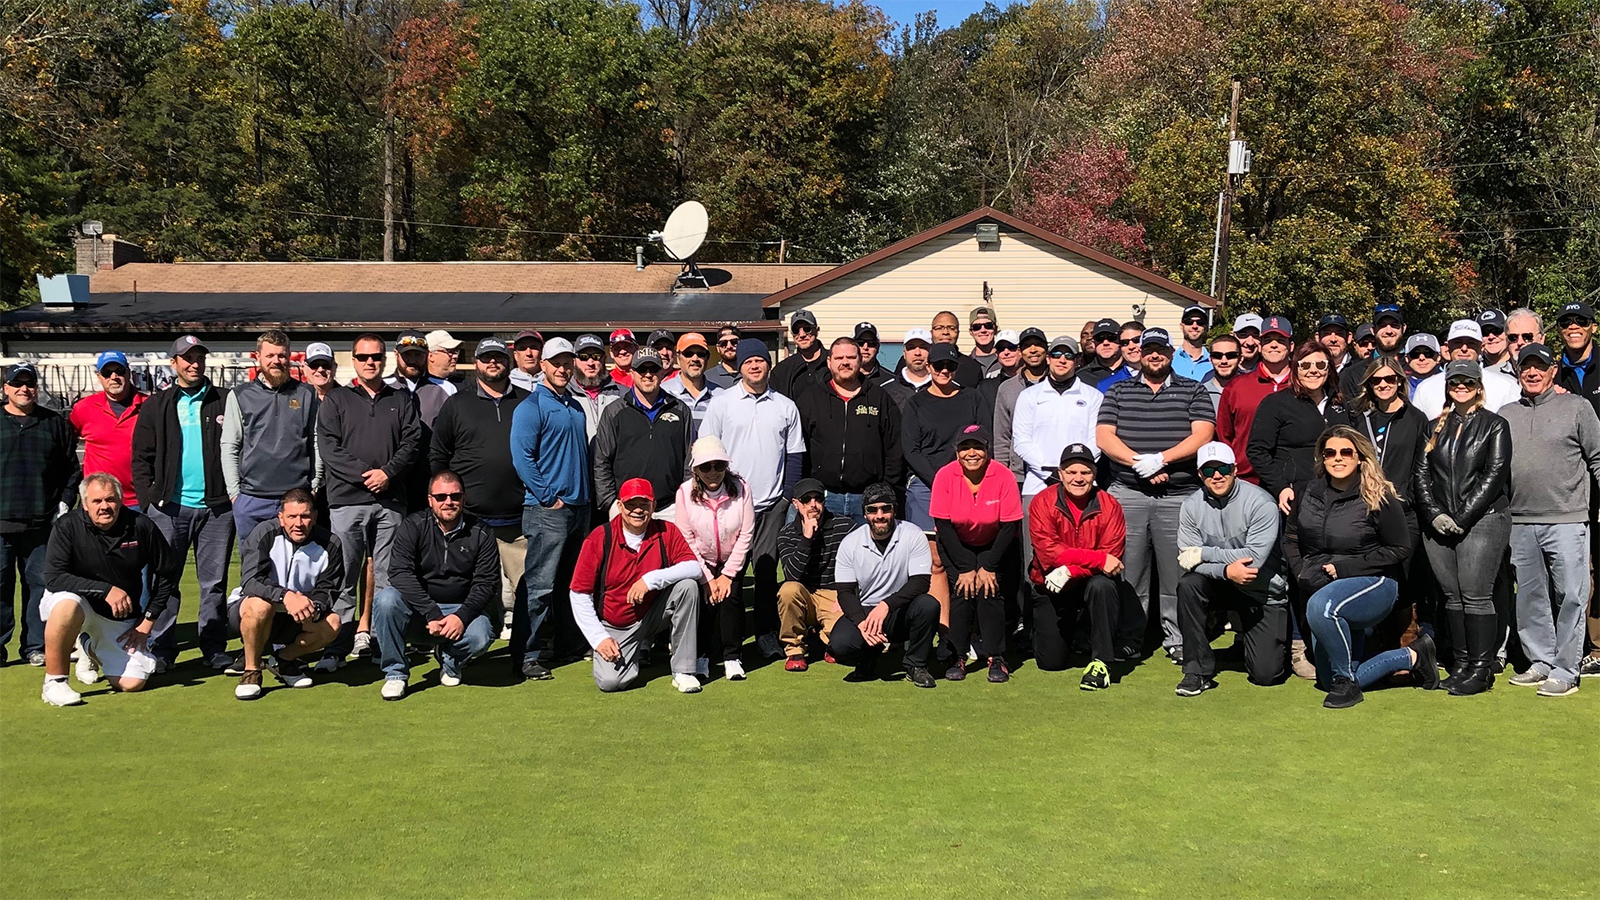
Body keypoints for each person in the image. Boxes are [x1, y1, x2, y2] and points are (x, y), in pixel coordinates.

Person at [1095, 327, 1216, 664]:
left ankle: (1176, 638)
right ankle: (1130, 638)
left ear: (1169, 352)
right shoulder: (1119, 391)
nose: (1154, 355)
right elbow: (1104, 437)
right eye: (1148, 348)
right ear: (1139, 351)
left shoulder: (1193, 390)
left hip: (1178, 494)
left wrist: (1162, 459)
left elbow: (1203, 434)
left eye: (1160, 349)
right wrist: (1140, 464)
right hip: (1127, 492)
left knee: (1176, 571)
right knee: (1129, 570)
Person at [1284, 426, 1427, 709]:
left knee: (1321, 607)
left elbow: (1399, 548)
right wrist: (1303, 573)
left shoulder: (1379, 495)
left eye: (1346, 452)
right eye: (1330, 453)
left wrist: (1346, 567)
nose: (1338, 458)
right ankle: (1413, 657)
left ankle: (1347, 686)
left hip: (1374, 582)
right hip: (1321, 585)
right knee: (1328, 679)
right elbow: (1290, 539)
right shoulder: (1306, 491)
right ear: (1322, 458)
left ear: (1360, 457)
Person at [1499, 343, 1600, 698]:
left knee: (1571, 594)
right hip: (1520, 520)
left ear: (1552, 370)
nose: (1532, 372)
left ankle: (1567, 669)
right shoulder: (1506, 413)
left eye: (1539, 366)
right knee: (1530, 598)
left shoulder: (1577, 408)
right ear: (1518, 371)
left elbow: (1598, 456)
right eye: (1526, 366)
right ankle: (1540, 661)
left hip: (1568, 517)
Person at [131, 335, 236, 670]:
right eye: (186, 358)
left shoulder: (225, 399)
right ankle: (161, 649)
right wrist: (150, 501)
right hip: (168, 508)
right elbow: (141, 459)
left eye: (199, 358)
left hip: (217, 508)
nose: (194, 364)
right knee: (164, 582)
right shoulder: (156, 405)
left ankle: (214, 648)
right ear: (173, 363)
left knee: (214, 583)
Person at [318, 333, 421, 661]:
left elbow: (412, 442)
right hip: (347, 501)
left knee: (388, 577)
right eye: (362, 357)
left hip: (390, 502)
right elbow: (329, 448)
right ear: (353, 360)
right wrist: (367, 475)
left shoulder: (401, 398)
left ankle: (381, 642)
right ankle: (338, 643)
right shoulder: (337, 400)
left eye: (375, 356)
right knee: (344, 575)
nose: (370, 362)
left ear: (385, 359)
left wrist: (387, 473)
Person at [701, 338, 805, 660]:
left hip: (771, 505)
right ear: (740, 367)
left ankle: (766, 636)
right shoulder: (722, 403)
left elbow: (796, 455)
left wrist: (787, 497)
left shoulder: (785, 406)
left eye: (760, 360)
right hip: (730, 503)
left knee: (764, 571)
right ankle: (722, 639)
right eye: (749, 362)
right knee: (727, 572)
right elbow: (705, 447)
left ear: (768, 365)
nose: (755, 366)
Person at [38, 473, 181, 706]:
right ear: (85, 505)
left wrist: (147, 621)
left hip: (117, 614)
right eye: (97, 501)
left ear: (121, 500)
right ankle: (55, 682)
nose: (105, 506)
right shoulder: (67, 526)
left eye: (111, 500)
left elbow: (168, 573)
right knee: (67, 606)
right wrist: (105, 590)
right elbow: (54, 578)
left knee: (132, 683)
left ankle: (88, 645)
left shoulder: (141, 526)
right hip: (76, 603)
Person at [1414, 359, 1512, 696]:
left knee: (1476, 595)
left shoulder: (1495, 425)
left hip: (1483, 521)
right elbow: (1421, 475)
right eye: (1455, 381)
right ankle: (1461, 663)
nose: (1461, 387)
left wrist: (1462, 517)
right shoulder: (1431, 428)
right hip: (1438, 523)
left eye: (1467, 382)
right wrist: (1434, 514)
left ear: (1478, 387)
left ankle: (1481, 670)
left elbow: (1494, 474)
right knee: (1452, 596)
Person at [428, 338, 531, 637]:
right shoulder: (457, 403)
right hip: (471, 517)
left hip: (518, 515)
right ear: (476, 363)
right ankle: (481, 632)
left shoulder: (527, 402)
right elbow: (438, 454)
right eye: (486, 358)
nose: (493, 363)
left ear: (508, 361)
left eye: (498, 357)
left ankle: (527, 638)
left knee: (523, 585)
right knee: (480, 586)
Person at [1173, 442, 1293, 695]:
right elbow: (1186, 558)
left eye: (1223, 468)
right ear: (1199, 475)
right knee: (1189, 585)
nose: (1216, 476)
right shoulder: (1191, 505)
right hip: (1220, 584)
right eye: (1208, 471)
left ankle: (1245, 635)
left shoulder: (1261, 502)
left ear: (1235, 469)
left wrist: (1205, 553)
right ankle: (1196, 671)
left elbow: (1253, 558)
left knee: (1266, 675)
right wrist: (1225, 572)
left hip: (1259, 588)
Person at [569, 477, 704, 694]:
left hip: (652, 613)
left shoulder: (666, 530)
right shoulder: (599, 538)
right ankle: (635, 653)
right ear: (620, 506)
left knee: (687, 587)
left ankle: (684, 671)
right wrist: (598, 638)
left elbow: (694, 568)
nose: (638, 511)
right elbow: (579, 593)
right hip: (616, 624)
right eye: (631, 504)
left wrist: (650, 580)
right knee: (610, 682)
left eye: (644, 504)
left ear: (654, 506)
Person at [372, 471, 499, 699]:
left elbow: (487, 582)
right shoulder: (413, 525)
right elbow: (399, 573)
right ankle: (395, 674)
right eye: (440, 497)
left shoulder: (482, 532)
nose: (448, 502)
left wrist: (461, 616)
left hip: (459, 611)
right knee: (386, 601)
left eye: (455, 496)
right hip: (419, 612)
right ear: (430, 499)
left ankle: (450, 659)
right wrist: (431, 612)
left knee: (482, 635)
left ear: (464, 498)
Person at [509, 337, 593, 681]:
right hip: (548, 510)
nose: (563, 368)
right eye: (555, 362)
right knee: (540, 585)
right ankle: (527, 653)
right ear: (542, 366)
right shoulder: (532, 407)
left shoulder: (574, 405)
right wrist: (548, 497)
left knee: (571, 584)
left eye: (567, 362)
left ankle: (568, 643)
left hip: (578, 508)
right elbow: (522, 458)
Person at [1345, 354, 1432, 683]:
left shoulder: (1416, 419)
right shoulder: (1357, 418)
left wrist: (1407, 498)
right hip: (1363, 510)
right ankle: (1374, 652)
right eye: (1377, 380)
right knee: (1371, 576)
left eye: (1390, 379)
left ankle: (1406, 653)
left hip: (1403, 512)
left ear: (1400, 382)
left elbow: (1422, 467)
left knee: (1404, 581)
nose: (1383, 385)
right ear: (1368, 384)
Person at [1027, 443, 1125, 690]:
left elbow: (1112, 558)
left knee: (1103, 586)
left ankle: (1101, 661)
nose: (1078, 478)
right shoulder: (1042, 502)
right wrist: (1098, 560)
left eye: (1085, 472)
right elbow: (1049, 554)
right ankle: (1074, 631)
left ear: (1094, 474)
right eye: (1071, 472)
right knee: (1051, 662)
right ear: (1060, 474)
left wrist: (1073, 569)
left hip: (1090, 583)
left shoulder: (1110, 505)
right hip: (1052, 583)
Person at [229, 489, 343, 700]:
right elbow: (251, 580)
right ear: (281, 517)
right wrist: (286, 596)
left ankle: (283, 660)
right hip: (253, 608)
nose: (298, 523)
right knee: (260, 606)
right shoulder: (264, 533)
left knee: (333, 622)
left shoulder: (331, 544)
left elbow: (328, 591)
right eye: (292, 516)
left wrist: (314, 608)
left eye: (305, 516)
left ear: (315, 517)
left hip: (297, 614)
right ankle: (252, 671)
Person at [1, 362, 79, 668]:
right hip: (1, 520)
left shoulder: (54, 423)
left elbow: (72, 469)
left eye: (29, 383)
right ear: (5, 388)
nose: (24, 389)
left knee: (40, 587)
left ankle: (35, 645)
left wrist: (64, 503)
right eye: (17, 383)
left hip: (42, 521)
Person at [930, 426, 1023, 683]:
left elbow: (1009, 526)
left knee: (989, 590)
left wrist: (989, 565)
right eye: (965, 447)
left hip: (995, 543)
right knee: (963, 589)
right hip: (956, 544)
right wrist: (964, 567)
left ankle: (997, 657)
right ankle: (958, 655)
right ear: (957, 452)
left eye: (978, 447)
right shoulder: (945, 475)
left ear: (987, 450)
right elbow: (944, 526)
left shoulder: (1003, 475)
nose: (972, 453)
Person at [827, 482, 941, 688]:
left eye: (885, 508)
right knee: (840, 646)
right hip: (866, 610)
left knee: (929, 605)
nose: (879, 515)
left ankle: (916, 665)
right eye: (872, 510)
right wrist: (862, 624)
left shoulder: (913, 534)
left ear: (894, 510)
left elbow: (921, 582)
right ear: (864, 514)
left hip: (901, 610)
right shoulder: (850, 543)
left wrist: (886, 605)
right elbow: (844, 592)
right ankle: (868, 657)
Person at [221, 330, 321, 561]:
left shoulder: (306, 394)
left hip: (296, 498)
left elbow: (316, 442)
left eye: (282, 356)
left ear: (289, 357)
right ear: (258, 357)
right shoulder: (240, 395)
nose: (276, 361)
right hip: (252, 498)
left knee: (297, 567)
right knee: (254, 568)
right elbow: (230, 445)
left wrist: (314, 485)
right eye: (270, 356)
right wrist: (235, 494)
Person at [673, 436, 754, 680]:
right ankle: (701, 656)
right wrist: (708, 578)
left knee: (730, 598)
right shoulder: (685, 493)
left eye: (719, 465)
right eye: (705, 467)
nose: (712, 472)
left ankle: (732, 657)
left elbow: (746, 533)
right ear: (695, 469)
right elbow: (686, 539)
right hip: (701, 558)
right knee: (703, 601)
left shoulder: (742, 488)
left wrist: (728, 575)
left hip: (733, 556)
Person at [795, 337, 904, 519]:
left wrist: (884, 488)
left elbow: (895, 448)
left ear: (860, 360)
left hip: (868, 499)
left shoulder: (880, 399)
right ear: (829, 362)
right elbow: (798, 447)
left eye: (851, 358)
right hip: (823, 498)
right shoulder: (810, 399)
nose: (845, 362)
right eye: (839, 358)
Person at [1246, 341, 1351, 515]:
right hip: (1294, 497)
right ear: (1295, 369)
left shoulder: (1340, 404)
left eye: (1320, 364)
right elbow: (1257, 451)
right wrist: (1280, 487)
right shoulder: (1276, 403)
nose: (1313, 370)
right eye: (1305, 365)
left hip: (1338, 496)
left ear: (1329, 369)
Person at [592, 348, 694, 516]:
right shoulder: (614, 412)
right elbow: (602, 460)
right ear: (632, 373)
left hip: (670, 507)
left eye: (653, 369)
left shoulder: (680, 410)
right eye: (641, 369)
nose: (648, 374)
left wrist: (684, 499)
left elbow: (689, 460)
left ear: (662, 373)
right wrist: (609, 502)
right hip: (626, 506)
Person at [903, 343, 990, 535]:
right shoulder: (916, 403)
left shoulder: (973, 398)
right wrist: (940, 481)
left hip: (968, 483)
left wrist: (967, 481)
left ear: (957, 368)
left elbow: (985, 440)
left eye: (950, 366)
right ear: (928, 366)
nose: (944, 370)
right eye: (938, 365)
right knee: (930, 554)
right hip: (926, 485)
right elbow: (911, 450)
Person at [775, 478, 853, 670]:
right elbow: (792, 575)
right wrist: (806, 539)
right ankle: (794, 650)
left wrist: (847, 594)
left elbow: (859, 568)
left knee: (845, 646)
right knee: (787, 590)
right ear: (796, 504)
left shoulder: (846, 527)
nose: (812, 504)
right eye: (806, 500)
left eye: (817, 498)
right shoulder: (786, 534)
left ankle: (822, 641)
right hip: (804, 594)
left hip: (834, 594)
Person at [1012, 336, 1102, 500]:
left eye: (1068, 356)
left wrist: (1073, 473)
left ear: (1077, 361)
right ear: (1048, 358)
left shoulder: (1094, 396)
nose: (1062, 360)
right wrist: (1047, 471)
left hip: (1081, 485)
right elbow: (1021, 440)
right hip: (1037, 485)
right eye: (1056, 354)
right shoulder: (1028, 396)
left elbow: (1096, 441)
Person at [1216, 315, 1294, 484]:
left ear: (1291, 345)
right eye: (1267, 340)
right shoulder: (1236, 386)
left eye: (1281, 340)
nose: (1274, 345)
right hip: (1246, 479)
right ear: (1260, 345)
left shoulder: (1302, 385)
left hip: (1291, 480)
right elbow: (1224, 434)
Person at [69, 350, 146, 509]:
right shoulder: (84, 408)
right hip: (98, 501)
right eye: (106, 372)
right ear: (99, 376)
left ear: (128, 373)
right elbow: (65, 446)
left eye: (119, 371)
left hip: (140, 500)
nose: (113, 377)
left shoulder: (149, 406)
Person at [1411, 320, 1519, 418]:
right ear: (1448, 347)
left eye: (1471, 343)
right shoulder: (1425, 388)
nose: (1464, 349)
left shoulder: (1507, 387)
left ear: (1482, 347)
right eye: (1458, 343)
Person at [990, 326, 1050, 486]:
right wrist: (1003, 471)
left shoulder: (1059, 383)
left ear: (1046, 350)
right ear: (1021, 352)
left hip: (1055, 471)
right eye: (1027, 346)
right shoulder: (1007, 388)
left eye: (1038, 344)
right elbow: (1002, 436)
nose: (1033, 350)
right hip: (1019, 476)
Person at [570, 334, 629, 441]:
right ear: (574, 360)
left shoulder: (624, 394)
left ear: (604, 359)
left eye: (596, 356)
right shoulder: (564, 394)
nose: (590, 363)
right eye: (584, 357)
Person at [388, 329, 451, 427]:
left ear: (427, 355)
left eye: (418, 355)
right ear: (396, 355)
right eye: (407, 355)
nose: (412, 360)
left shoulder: (446, 389)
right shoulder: (383, 387)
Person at [662, 332, 720, 436]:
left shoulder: (720, 395)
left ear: (707, 358)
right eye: (688, 354)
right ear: (678, 358)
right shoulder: (663, 393)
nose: (695, 359)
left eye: (701, 354)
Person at [1555, 301, 1600, 416]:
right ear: (1558, 330)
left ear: (1594, 327)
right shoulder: (1552, 375)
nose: (1573, 327)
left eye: (1582, 321)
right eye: (1565, 322)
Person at [771, 310, 827, 399]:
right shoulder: (782, 370)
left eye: (807, 328)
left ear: (817, 330)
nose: (802, 335)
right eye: (796, 330)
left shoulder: (833, 362)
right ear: (792, 334)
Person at [923, 310, 985, 388]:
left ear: (958, 333)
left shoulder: (972, 367)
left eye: (951, 328)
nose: (945, 332)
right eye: (939, 328)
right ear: (931, 332)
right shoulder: (917, 362)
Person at [1094, 322, 1145, 393]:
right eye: (1125, 343)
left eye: (1136, 340)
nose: (1131, 346)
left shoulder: (1163, 376)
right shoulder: (1106, 385)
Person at [1200, 334, 1242, 413]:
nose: (1224, 361)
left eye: (1231, 355)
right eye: (1217, 355)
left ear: (1240, 358)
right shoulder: (1200, 393)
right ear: (1210, 359)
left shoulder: (1250, 391)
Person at [1171, 305, 1213, 381]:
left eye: (1200, 322)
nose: (1194, 326)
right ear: (1181, 326)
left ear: (1206, 327)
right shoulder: (1170, 360)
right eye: (1189, 322)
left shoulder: (1214, 362)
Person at [1079, 318, 1123, 388]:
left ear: (1121, 341)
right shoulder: (1081, 377)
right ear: (1093, 343)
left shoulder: (1134, 370)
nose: (1105, 343)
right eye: (1100, 338)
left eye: (1111, 337)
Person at [894, 328, 935, 401]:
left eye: (923, 347)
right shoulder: (887, 389)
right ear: (904, 353)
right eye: (911, 347)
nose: (917, 353)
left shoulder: (946, 388)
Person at [706, 325, 744, 390]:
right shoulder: (707, 377)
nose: (729, 346)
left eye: (734, 342)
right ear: (718, 348)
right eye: (723, 343)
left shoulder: (752, 373)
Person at [1477, 310, 1514, 376]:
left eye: (1497, 330)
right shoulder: (1474, 369)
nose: (1491, 337)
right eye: (1484, 332)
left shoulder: (1520, 366)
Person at [968, 306, 1002, 376]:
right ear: (971, 332)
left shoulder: (1006, 359)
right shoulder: (965, 363)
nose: (983, 330)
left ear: (995, 329)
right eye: (977, 327)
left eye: (988, 325)